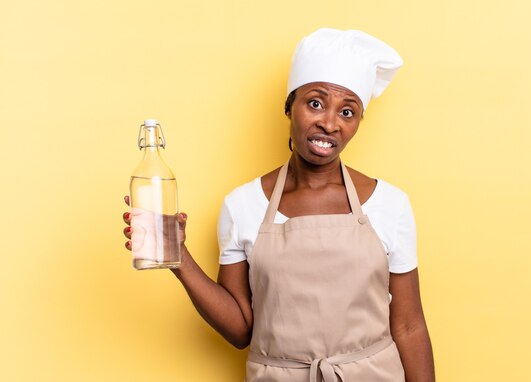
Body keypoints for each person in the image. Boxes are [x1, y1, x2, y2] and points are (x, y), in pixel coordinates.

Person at [123, 28, 435, 382]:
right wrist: (177, 255)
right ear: (289, 106)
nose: (329, 123)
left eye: (348, 112)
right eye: (315, 103)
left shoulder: (390, 204)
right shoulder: (242, 205)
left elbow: (409, 327)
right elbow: (241, 330)